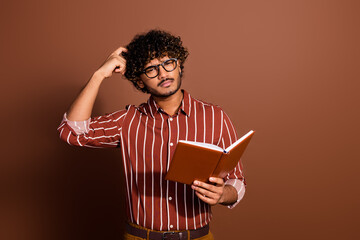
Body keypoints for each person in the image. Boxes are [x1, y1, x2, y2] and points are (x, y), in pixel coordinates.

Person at [57, 29, 246, 240]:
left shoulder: (215, 116)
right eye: (151, 69)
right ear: (140, 82)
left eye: (168, 63)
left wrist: (222, 195)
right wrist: (99, 74)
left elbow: (236, 180)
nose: (163, 73)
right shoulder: (127, 121)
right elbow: (72, 132)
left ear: (179, 66)